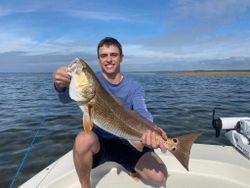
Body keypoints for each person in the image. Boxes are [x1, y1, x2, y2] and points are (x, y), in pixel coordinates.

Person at [53, 37, 168, 188]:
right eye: (104, 56)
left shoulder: (135, 87)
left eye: (113, 55)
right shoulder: (92, 81)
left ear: (121, 58)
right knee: (82, 139)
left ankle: (131, 167)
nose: (109, 59)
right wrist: (60, 84)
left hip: (128, 141)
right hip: (101, 142)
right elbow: (65, 98)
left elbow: (141, 111)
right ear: (99, 59)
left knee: (160, 177)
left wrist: (152, 131)